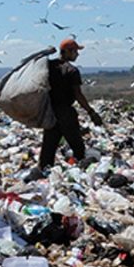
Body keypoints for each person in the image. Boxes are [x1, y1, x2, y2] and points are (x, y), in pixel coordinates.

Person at [38, 38, 103, 169]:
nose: (77, 54)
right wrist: (91, 112)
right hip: (66, 114)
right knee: (78, 147)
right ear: (67, 52)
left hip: (50, 113)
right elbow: (78, 95)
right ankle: (83, 171)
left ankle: (43, 173)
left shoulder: (48, 67)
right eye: (75, 51)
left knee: (48, 148)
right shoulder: (71, 71)